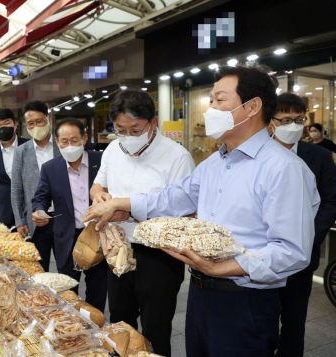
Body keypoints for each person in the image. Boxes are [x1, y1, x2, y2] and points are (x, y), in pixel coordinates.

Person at [85, 66, 320, 357]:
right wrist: (123, 203)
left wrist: (223, 268)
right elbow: (175, 197)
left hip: (245, 299)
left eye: (219, 100)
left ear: (253, 106)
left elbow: (292, 251)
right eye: (210, 100)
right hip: (201, 292)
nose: (210, 109)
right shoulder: (215, 163)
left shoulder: (283, 169)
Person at [89, 90, 195, 356]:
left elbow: (184, 210)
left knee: (155, 327)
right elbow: (98, 183)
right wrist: (98, 194)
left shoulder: (177, 157)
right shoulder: (114, 149)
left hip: (159, 255)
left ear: (153, 122)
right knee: (121, 325)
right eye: (120, 129)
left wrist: (130, 212)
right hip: (118, 249)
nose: (128, 136)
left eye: (135, 129)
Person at [268, 93, 336, 357]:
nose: (294, 126)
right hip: (263, 252)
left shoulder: (319, 156)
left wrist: (310, 237)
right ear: (270, 122)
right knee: (263, 319)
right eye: (285, 120)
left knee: (294, 321)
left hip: (302, 255)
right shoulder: (257, 153)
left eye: (299, 119)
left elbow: (331, 201)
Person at [31, 119, 108, 311]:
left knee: (98, 288)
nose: (69, 145)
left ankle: (95, 325)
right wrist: (39, 211)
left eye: (74, 140)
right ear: (57, 142)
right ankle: (73, 329)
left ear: (84, 137)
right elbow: (40, 197)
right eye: (64, 141)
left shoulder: (102, 161)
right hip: (66, 235)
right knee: (68, 290)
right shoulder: (51, 168)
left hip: (97, 234)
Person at [11, 101, 60, 270]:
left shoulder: (62, 146)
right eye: (31, 123)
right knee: (38, 268)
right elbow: (16, 188)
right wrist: (20, 221)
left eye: (39, 121)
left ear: (48, 119)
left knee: (67, 267)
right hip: (36, 220)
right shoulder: (21, 152)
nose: (35, 126)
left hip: (63, 218)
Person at [0, 109, 28, 227]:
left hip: (30, 209)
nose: (2, 128)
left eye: (7, 123)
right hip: (5, 208)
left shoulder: (29, 146)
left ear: (15, 124)